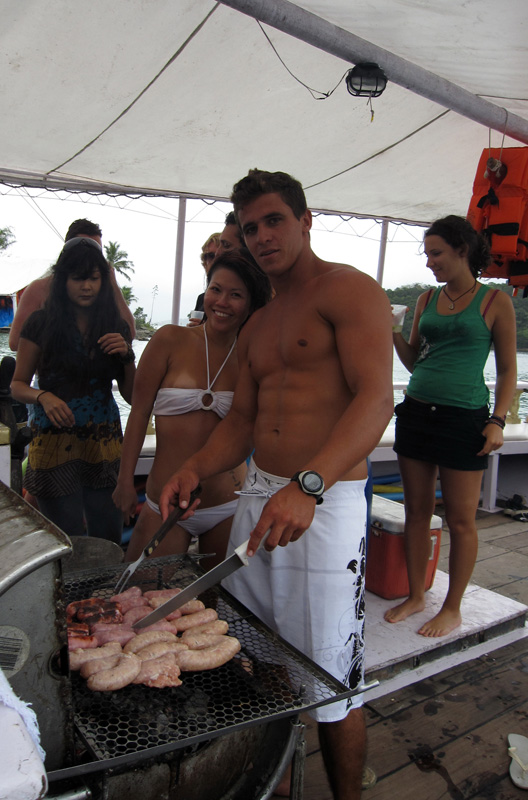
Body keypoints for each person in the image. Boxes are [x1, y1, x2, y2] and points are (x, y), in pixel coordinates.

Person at [159, 169, 394, 800]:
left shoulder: (349, 290)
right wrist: (194, 467)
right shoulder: (259, 323)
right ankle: (279, 780)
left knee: (332, 675)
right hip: (259, 498)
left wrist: (309, 485)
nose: (262, 236)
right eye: (250, 227)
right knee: (257, 653)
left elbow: (376, 399)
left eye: (274, 221)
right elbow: (242, 420)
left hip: (324, 503)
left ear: (304, 220)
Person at [384, 215, 517, 637]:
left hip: (464, 418)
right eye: (427, 255)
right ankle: (417, 595)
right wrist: (394, 331)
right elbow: (415, 362)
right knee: (416, 513)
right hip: (417, 412)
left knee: (461, 520)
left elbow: (508, 371)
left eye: (436, 253)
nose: (430, 262)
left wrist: (497, 421)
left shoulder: (495, 302)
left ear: (462, 250)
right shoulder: (427, 299)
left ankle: (453, 607)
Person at [113, 250, 272, 569]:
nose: (222, 302)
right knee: (139, 592)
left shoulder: (252, 357)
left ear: (250, 304)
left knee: (218, 599)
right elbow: (139, 413)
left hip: (228, 503)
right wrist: (124, 480)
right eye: (216, 289)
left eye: (236, 295)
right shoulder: (169, 340)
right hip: (164, 502)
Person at [11, 237, 136, 544]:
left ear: (103, 282)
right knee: (67, 543)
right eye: (78, 278)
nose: (86, 287)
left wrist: (127, 356)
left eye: (93, 278)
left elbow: (133, 397)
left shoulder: (115, 327)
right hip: (54, 444)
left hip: (104, 445)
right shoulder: (40, 324)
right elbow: (17, 385)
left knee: (107, 540)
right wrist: (43, 396)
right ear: (62, 280)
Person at [8, 218, 135, 350]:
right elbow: (15, 342)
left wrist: (112, 282)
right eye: (82, 249)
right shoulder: (40, 289)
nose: (88, 255)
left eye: (95, 250)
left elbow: (129, 334)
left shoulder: (105, 291)